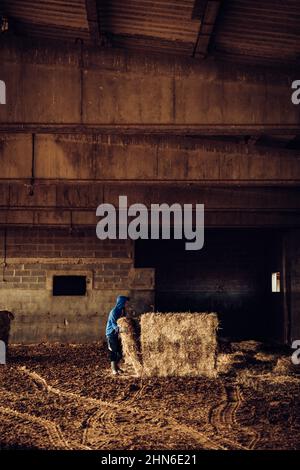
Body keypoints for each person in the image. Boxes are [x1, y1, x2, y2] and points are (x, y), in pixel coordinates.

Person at [105, 295, 129, 375]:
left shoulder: (122, 311)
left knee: (120, 351)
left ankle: (116, 366)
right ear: (121, 302)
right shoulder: (114, 311)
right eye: (125, 302)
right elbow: (113, 323)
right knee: (114, 350)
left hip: (119, 333)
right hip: (111, 333)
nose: (127, 304)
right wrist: (121, 330)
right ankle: (113, 369)